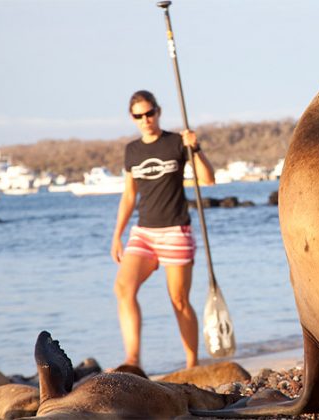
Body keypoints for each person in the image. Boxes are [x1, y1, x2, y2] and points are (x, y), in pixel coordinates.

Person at [111, 90, 215, 369]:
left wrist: (196, 148)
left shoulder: (177, 142)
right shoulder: (131, 151)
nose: (145, 119)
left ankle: (192, 364)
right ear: (132, 118)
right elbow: (129, 196)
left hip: (175, 232)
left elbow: (208, 181)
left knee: (179, 300)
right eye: (138, 116)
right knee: (123, 288)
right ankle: (132, 359)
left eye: (149, 113)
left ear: (158, 111)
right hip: (143, 233)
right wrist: (117, 235)